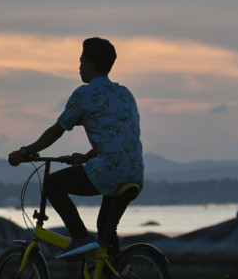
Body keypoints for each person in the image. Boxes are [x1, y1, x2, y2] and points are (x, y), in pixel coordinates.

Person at [8, 37, 144, 260]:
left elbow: (57, 130)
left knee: (52, 184)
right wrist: (87, 157)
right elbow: (117, 138)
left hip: (110, 171)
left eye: (81, 61)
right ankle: (117, 275)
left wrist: (25, 152)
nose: (79, 66)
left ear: (90, 64)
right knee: (106, 231)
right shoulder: (124, 93)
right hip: (134, 172)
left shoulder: (85, 94)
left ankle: (80, 237)